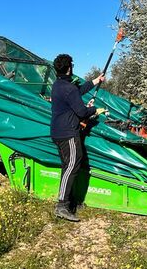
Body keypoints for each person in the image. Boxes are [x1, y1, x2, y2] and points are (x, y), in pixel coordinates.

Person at [51, 54, 106, 222]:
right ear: (70, 68)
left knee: (67, 167)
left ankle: (68, 202)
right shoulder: (69, 88)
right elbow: (81, 111)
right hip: (68, 134)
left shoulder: (58, 85)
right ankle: (62, 206)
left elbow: (77, 92)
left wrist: (95, 81)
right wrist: (94, 110)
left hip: (57, 132)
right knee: (73, 165)